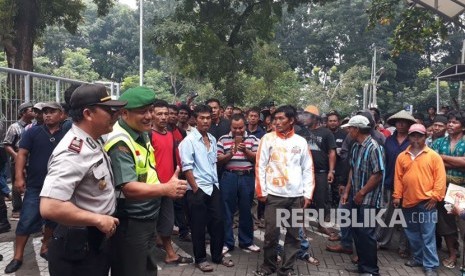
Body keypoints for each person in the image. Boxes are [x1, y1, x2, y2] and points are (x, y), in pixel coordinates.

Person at [39, 84, 127, 275]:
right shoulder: (73, 152)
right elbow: (50, 206)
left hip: (93, 239)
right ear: (88, 113)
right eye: (109, 110)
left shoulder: (92, 140)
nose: (115, 115)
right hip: (78, 248)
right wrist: (96, 219)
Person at [104, 86, 188, 276]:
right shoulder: (120, 142)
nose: (149, 116)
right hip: (131, 219)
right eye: (143, 111)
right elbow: (129, 188)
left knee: (148, 267)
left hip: (147, 214)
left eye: (150, 110)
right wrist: (166, 189)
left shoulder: (141, 131)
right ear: (124, 113)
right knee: (132, 269)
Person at [5, 102, 66, 274]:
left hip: (58, 185)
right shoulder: (32, 131)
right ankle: (17, 256)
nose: (47, 115)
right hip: (35, 185)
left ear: (61, 115)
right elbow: (22, 154)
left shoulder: (67, 133)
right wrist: (18, 177)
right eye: (45, 112)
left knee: (52, 220)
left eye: (52, 112)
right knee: (26, 220)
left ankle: (45, 247)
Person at [254, 105, 315, 276]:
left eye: (281, 118)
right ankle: (269, 266)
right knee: (271, 235)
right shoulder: (267, 139)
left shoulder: (301, 142)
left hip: (296, 197)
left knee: (294, 236)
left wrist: (307, 194)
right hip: (273, 195)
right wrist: (262, 192)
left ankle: (287, 269)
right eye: (275, 119)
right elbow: (260, 165)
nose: (277, 122)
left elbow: (308, 169)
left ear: (291, 120)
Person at [179, 104, 234, 272]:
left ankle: (217, 255)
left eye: (208, 118)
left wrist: (215, 184)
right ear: (195, 120)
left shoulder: (211, 138)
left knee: (218, 222)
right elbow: (186, 167)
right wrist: (195, 188)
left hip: (212, 186)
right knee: (198, 225)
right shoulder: (188, 141)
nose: (205, 121)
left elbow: (213, 163)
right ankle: (200, 258)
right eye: (201, 118)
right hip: (197, 189)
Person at [393, 123, 446, 276]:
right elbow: (398, 178)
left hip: (427, 203)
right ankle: (417, 258)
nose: (416, 138)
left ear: (425, 137)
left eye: (419, 136)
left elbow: (440, 179)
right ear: (409, 137)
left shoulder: (433, 156)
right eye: (413, 135)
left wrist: (436, 197)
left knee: (428, 235)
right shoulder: (402, 156)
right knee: (412, 233)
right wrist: (397, 196)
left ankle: (430, 265)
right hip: (408, 202)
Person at [341, 115, 385, 276]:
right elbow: (352, 169)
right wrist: (347, 190)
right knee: (357, 233)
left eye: (350, 128)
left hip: (369, 199)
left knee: (367, 235)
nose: (348, 131)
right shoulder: (355, 146)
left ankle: (371, 270)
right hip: (355, 197)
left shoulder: (374, 147)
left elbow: (378, 174)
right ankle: (362, 265)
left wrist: (361, 192)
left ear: (357, 129)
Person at [150, 99, 193, 264]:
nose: (163, 117)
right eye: (159, 113)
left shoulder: (169, 135)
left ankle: (169, 253)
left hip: (168, 186)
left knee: (167, 220)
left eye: (166, 114)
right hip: (152, 187)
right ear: (152, 114)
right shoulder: (147, 135)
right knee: (150, 223)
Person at [217, 114, 260, 255]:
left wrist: (245, 151)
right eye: (234, 128)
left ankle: (246, 241)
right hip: (229, 176)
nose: (237, 131)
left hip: (246, 177)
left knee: (246, 210)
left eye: (240, 127)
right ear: (230, 127)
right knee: (226, 210)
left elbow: (257, 158)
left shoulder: (254, 139)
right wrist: (230, 153)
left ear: (245, 125)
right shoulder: (223, 139)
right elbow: (218, 160)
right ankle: (227, 242)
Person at [376, 110, 415, 258]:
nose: (400, 124)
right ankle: (382, 241)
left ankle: (404, 247)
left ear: (409, 124)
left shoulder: (413, 141)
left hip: (408, 185)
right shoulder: (389, 140)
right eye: (398, 122)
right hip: (389, 182)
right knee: (387, 214)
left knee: (406, 217)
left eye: (404, 122)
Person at [431, 110, 465, 269]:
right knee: (446, 224)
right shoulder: (438, 142)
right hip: (442, 188)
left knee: (462, 224)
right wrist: (457, 162)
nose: (450, 124)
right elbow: (432, 162)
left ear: (463, 127)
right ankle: (452, 254)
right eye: (449, 121)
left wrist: (442, 158)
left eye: (455, 122)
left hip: (460, 190)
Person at [296, 105, 336, 237]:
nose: (305, 118)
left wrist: (331, 171)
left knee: (321, 200)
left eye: (308, 116)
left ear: (315, 118)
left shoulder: (326, 133)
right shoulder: (301, 132)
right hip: (303, 172)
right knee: (302, 199)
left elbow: (331, 152)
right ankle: (301, 226)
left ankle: (322, 225)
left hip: (321, 172)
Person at [3, 102, 35, 220]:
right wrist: (16, 156)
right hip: (17, 159)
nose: (34, 112)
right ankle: (17, 208)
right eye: (31, 110)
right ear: (23, 113)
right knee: (17, 184)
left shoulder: (34, 126)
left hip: (31, 159)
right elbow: (7, 144)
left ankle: (28, 207)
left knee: (30, 183)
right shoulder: (14, 127)